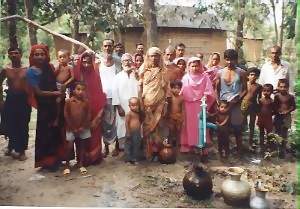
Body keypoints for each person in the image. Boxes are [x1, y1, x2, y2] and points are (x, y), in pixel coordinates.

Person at [26, 44, 64, 170]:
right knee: (45, 133)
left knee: (56, 131)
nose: (40, 57)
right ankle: (47, 162)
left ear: (46, 55)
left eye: (42, 54)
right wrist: (55, 93)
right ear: (32, 56)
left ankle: (57, 159)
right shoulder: (31, 71)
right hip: (44, 106)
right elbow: (38, 92)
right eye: (37, 54)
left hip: (55, 104)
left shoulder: (50, 67)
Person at [73, 52, 106, 165]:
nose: (86, 65)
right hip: (80, 111)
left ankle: (95, 157)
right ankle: (82, 159)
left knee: (95, 133)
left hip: (95, 110)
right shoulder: (77, 75)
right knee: (81, 135)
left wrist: (99, 113)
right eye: (84, 62)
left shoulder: (96, 75)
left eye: (88, 62)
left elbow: (100, 93)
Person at [180, 57, 215, 158]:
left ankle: (202, 146)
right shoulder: (185, 78)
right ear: (189, 67)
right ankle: (188, 146)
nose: (194, 68)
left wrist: (205, 95)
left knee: (200, 126)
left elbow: (209, 90)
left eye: (196, 66)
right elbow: (182, 91)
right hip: (188, 105)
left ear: (200, 66)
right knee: (188, 126)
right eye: (192, 66)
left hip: (200, 105)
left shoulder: (204, 77)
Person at [0, 47, 31, 160]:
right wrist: (1, 100)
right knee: (10, 123)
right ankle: (11, 146)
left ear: (21, 55)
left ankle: (22, 150)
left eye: (16, 53)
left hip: (23, 99)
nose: (14, 55)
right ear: (8, 55)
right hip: (11, 98)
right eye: (11, 53)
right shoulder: (6, 69)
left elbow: (32, 85)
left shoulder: (27, 69)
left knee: (23, 124)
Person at [215, 49, 247, 156]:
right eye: (227, 60)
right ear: (225, 59)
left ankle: (239, 153)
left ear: (236, 60)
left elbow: (245, 89)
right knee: (223, 131)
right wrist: (218, 101)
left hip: (236, 104)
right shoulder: (220, 73)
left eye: (232, 60)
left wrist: (238, 99)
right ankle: (224, 152)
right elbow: (217, 89)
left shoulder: (241, 72)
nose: (229, 62)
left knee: (237, 129)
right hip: (223, 105)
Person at [139, 47, 169, 161]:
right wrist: (140, 102)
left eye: (156, 55)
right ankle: (148, 152)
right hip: (147, 104)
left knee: (159, 128)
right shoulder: (143, 70)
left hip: (160, 104)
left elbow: (167, 89)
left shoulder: (164, 71)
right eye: (151, 55)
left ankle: (159, 153)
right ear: (147, 57)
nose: (154, 58)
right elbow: (140, 87)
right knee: (147, 128)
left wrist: (166, 104)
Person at [112, 53, 139, 155]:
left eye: (129, 60)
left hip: (135, 107)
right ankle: (125, 151)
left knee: (136, 128)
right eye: (125, 61)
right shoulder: (117, 77)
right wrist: (118, 107)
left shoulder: (136, 75)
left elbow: (140, 90)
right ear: (122, 63)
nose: (127, 62)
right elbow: (115, 93)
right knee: (123, 128)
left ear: (132, 62)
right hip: (123, 107)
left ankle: (135, 151)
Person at [63, 82, 91, 175]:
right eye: (78, 89)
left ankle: (80, 163)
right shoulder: (69, 101)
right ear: (74, 90)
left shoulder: (86, 102)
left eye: (83, 90)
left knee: (82, 146)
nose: (80, 92)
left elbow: (88, 115)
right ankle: (67, 165)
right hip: (71, 128)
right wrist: (72, 127)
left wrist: (83, 126)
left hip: (83, 127)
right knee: (69, 146)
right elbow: (66, 115)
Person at [99, 53, 120, 157]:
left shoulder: (118, 63)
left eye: (110, 46)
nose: (107, 48)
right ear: (103, 47)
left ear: (112, 47)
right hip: (103, 97)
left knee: (116, 121)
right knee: (104, 122)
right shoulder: (98, 63)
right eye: (105, 46)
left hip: (116, 96)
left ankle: (117, 146)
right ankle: (106, 147)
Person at [273, 79, 296, 158]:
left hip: (286, 117)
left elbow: (293, 107)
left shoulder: (290, 97)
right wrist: (277, 110)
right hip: (278, 116)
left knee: (284, 133)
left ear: (288, 87)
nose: (283, 88)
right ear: (278, 87)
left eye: (285, 87)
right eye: (281, 87)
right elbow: (274, 106)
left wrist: (287, 111)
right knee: (277, 133)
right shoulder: (277, 96)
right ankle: (277, 150)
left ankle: (282, 150)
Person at [241, 67, 262, 148]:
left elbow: (259, 98)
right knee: (242, 124)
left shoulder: (258, 86)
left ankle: (250, 142)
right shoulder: (244, 84)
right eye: (252, 75)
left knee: (252, 124)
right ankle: (241, 142)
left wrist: (259, 108)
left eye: (255, 75)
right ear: (247, 76)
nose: (253, 76)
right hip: (243, 105)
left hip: (253, 106)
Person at [54, 49, 74, 126]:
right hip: (57, 85)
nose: (62, 59)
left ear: (68, 58)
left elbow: (72, 77)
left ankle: (65, 118)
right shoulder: (58, 66)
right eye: (60, 57)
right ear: (58, 58)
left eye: (64, 57)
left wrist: (65, 84)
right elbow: (54, 75)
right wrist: (57, 68)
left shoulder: (70, 67)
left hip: (65, 87)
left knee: (65, 101)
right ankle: (57, 118)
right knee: (57, 102)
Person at [167, 80, 184, 149]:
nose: (176, 90)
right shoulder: (169, 98)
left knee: (178, 133)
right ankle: (169, 147)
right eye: (174, 88)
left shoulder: (181, 98)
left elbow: (183, 109)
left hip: (178, 118)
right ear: (171, 88)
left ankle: (177, 148)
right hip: (170, 118)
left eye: (178, 88)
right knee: (170, 132)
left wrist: (183, 119)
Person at [124, 97, 142, 164]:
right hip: (130, 132)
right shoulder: (129, 114)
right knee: (128, 145)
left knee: (136, 145)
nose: (135, 107)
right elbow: (126, 123)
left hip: (137, 132)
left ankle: (134, 158)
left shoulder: (138, 113)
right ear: (129, 106)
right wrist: (128, 132)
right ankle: (128, 159)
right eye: (133, 105)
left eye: (136, 105)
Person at [257, 84, 274, 150]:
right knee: (261, 132)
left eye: (268, 91)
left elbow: (274, 110)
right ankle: (261, 144)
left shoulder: (272, 101)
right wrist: (258, 116)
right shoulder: (261, 100)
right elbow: (258, 109)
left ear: (271, 92)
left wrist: (270, 114)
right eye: (264, 91)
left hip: (268, 119)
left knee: (269, 132)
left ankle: (269, 145)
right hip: (261, 118)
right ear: (262, 91)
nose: (266, 92)